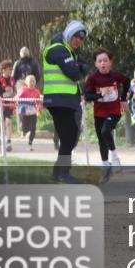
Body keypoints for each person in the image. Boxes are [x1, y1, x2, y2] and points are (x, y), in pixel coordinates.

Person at [42, 20, 90, 183]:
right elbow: (75, 73)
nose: (79, 41)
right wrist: (79, 68)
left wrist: (79, 67)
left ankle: (59, 171)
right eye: (76, 36)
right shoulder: (57, 50)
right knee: (69, 136)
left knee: (70, 136)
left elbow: (84, 67)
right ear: (69, 34)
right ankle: (62, 173)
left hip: (66, 100)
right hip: (58, 100)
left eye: (82, 39)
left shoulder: (70, 52)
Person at [85, 48, 130, 184]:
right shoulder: (92, 79)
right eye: (100, 61)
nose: (103, 63)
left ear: (110, 62)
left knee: (106, 131)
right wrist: (100, 94)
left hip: (114, 111)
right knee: (101, 140)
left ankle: (115, 158)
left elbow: (127, 81)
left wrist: (123, 99)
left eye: (105, 60)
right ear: (96, 64)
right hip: (99, 113)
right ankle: (106, 166)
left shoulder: (116, 76)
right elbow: (87, 96)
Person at [0, 59, 16, 150]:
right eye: (9, 69)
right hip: (0, 104)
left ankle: (8, 143)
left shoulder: (12, 79)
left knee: (8, 122)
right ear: (3, 70)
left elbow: (12, 92)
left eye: (11, 69)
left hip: (9, 104)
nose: (10, 71)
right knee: (4, 122)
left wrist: (14, 101)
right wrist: (2, 91)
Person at [15, 75, 42, 151]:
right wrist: (21, 102)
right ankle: (23, 132)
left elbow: (38, 102)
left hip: (33, 112)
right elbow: (16, 98)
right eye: (30, 81)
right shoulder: (23, 90)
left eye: (33, 81)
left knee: (33, 129)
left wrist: (39, 107)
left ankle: (30, 144)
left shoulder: (37, 92)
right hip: (24, 112)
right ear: (26, 82)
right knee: (25, 129)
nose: (32, 83)